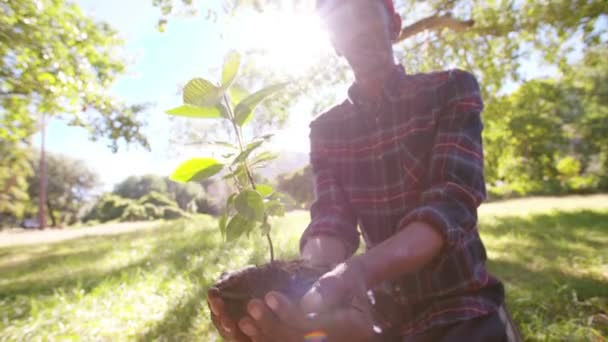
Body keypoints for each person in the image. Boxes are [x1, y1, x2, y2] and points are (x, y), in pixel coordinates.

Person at [208, 0, 522, 340]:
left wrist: (356, 274)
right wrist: (300, 277)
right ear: (334, 43)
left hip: (463, 306)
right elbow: (332, 218)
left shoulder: (450, 90)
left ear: (395, 25)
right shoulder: (327, 129)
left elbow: (449, 205)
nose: (355, 29)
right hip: (382, 316)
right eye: (341, 22)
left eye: (365, 13)